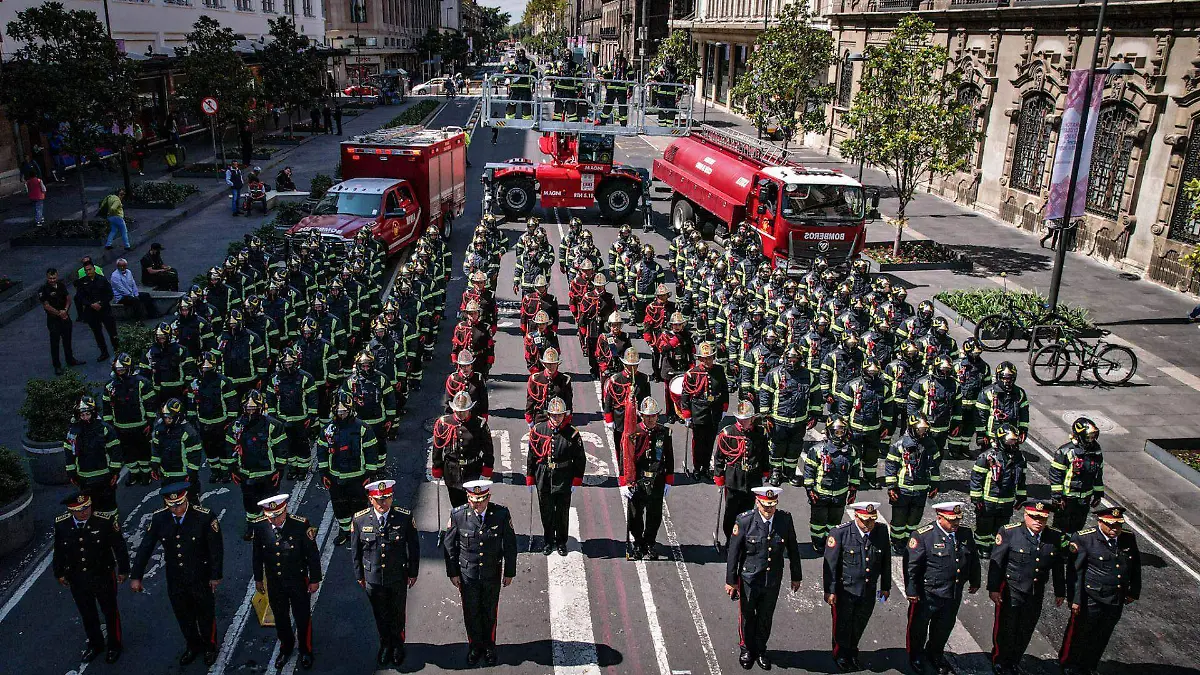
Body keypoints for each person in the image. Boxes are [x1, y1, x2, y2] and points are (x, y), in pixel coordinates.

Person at [130, 482, 224, 667]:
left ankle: (210, 646)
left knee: (205, 613)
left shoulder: (204, 517)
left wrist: (215, 575)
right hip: (176, 577)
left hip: (200, 575)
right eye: (172, 506)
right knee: (183, 614)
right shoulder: (159, 519)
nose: (177, 509)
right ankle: (193, 645)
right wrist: (136, 576)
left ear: (186, 498)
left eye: (180, 504)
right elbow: (146, 547)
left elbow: (216, 549)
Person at [724, 486, 803, 670]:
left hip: (772, 579)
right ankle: (746, 649)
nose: (769, 509)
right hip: (749, 579)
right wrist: (731, 581)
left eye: (772, 505)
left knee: (766, 616)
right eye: (765, 505)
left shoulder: (784, 520)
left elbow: (793, 548)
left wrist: (796, 576)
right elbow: (733, 553)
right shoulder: (745, 521)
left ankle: (760, 649)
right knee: (747, 615)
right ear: (757, 502)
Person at [988, 499, 1068, 675]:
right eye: (1034, 517)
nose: (1038, 522)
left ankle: (1014, 661)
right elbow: (997, 563)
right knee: (1006, 628)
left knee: (1026, 629)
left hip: (1035, 592)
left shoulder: (1054, 536)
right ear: (1025, 516)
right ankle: (1000, 660)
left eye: (1042, 518)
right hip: (1012, 590)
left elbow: (1057, 567)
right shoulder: (1010, 532)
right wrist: (993, 589)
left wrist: (1060, 591)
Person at [1058, 505, 1141, 675]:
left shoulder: (1128, 538)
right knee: (1080, 633)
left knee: (1102, 634)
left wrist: (1134, 591)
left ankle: (1089, 665)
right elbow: (1075, 572)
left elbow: (1135, 565)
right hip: (1091, 597)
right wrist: (1075, 599)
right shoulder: (1084, 539)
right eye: (1110, 525)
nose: (1114, 529)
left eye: (1118, 525)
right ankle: (1070, 664)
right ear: (1100, 522)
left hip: (1115, 597)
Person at [443, 479, 517, 667]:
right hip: (468, 574)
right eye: (474, 500)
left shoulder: (501, 514)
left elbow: (510, 545)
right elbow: (450, 546)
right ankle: (475, 646)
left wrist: (509, 572)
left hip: (491, 573)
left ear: (488, 497)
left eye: (481, 500)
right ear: (468, 498)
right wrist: (453, 573)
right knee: (471, 612)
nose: (477, 504)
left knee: (490, 611)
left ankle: (490, 646)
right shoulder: (458, 515)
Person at [904, 501, 980, 675]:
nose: (956, 523)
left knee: (943, 628)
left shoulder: (965, 533)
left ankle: (935, 654)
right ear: (940, 517)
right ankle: (916, 656)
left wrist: (975, 580)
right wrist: (912, 591)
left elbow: (973, 558)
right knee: (919, 628)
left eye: (958, 519)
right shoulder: (923, 536)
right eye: (951, 520)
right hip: (928, 593)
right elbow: (912, 566)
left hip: (953, 592)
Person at [351, 479, 420, 667]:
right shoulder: (360, 519)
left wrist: (413, 572)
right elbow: (356, 551)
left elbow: (413, 548)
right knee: (380, 614)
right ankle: (385, 644)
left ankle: (397, 645)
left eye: (386, 498)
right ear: (370, 499)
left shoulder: (404, 517)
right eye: (378, 499)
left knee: (397, 613)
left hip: (397, 576)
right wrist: (359, 575)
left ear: (392, 497)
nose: (383, 503)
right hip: (373, 578)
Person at [53, 493, 128, 665]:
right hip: (77, 578)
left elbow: (119, 546)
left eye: (87, 507)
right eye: (79, 509)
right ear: (71, 510)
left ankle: (114, 645)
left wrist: (123, 570)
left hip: (102, 575)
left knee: (110, 611)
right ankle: (95, 644)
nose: (84, 512)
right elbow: (59, 550)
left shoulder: (105, 521)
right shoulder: (62, 524)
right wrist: (59, 572)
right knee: (87, 613)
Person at [252, 494, 321, 670]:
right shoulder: (260, 527)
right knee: (280, 617)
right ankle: (286, 647)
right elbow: (257, 555)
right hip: (275, 583)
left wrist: (314, 579)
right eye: (271, 517)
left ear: (285, 510)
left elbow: (312, 555)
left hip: (297, 580)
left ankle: (306, 649)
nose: (275, 520)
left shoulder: (300, 525)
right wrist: (258, 578)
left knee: (302, 616)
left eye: (278, 515)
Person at [824, 501, 892, 672]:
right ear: (856, 516)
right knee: (843, 625)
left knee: (859, 623)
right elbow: (831, 565)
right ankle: (840, 654)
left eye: (872, 520)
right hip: (845, 590)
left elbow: (886, 561)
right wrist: (830, 590)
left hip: (868, 590)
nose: (869, 524)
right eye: (865, 520)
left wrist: (885, 586)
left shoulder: (881, 531)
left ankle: (852, 651)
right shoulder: (840, 533)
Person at [318, 391, 382, 545]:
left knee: (359, 506)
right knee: (340, 506)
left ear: (351, 409)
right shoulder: (328, 430)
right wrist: (324, 473)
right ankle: (345, 531)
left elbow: (371, 452)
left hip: (357, 477)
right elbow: (322, 452)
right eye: (338, 412)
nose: (341, 415)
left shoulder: (363, 428)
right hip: (336, 478)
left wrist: (370, 474)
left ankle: (360, 532)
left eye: (344, 411)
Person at [526, 397, 586, 556]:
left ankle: (561, 542)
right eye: (554, 415)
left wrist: (576, 480)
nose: (557, 418)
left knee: (561, 512)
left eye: (560, 415)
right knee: (546, 511)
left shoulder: (572, 433)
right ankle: (548, 540)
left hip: (563, 475)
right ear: (549, 415)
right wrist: (530, 478)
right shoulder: (539, 430)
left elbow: (580, 458)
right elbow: (532, 455)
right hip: (544, 475)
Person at [619, 397, 675, 560]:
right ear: (641, 416)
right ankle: (638, 542)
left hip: (657, 480)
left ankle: (649, 542)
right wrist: (624, 482)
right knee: (635, 515)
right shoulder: (633, 432)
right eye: (647, 416)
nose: (650, 419)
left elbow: (669, 457)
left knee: (654, 515)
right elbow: (625, 458)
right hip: (638, 479)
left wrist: (669, 480)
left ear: (657, 416)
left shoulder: (664, 432)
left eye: (653, 416)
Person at [64, 396, 122, 519]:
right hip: (84, 477)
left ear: (93, 413)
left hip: (104, 475)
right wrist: (71, 473)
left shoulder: (104, 428)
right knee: (90, 504)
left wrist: (114, 472)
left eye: (87, 414)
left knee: (109, 504)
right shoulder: (73, 433)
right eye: (82, 415)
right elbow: (69, 453)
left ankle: (113, 523)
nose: (85, 417)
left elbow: (115, 451)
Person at [680, 341, 731, 481]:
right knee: (698, 443)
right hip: (699, 411)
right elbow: (685, 394)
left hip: (714, 411)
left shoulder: (719, 370)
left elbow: (724, 390)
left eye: (709, 358)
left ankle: (706, 467)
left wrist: (724, 408)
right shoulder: (692, 374)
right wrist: (687, 414)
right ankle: (697, 468)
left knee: (710, 441)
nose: (707, 361)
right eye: (704, 358)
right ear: (699, 359)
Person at [1049, 417, 1105, 534]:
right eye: (1088, 436)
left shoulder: (1096, 451)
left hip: (1085, 499)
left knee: (1078, 528)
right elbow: (1055, 475)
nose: (1091, 439)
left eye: (1093, 436)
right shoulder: (1065, 451)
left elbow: (1098, 474)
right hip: (1067, 499)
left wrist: (1098, 494)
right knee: (1060, 528)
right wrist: (1057, 497)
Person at [41, 268, 84, 374]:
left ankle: (70, 360)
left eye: (54, 278)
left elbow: (68, 298)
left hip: (65, 317)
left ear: (57, 276)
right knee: (55, 343)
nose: (52, 280)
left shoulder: (61, 285)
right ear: (47, 277)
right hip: (53, 320)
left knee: (67, 340)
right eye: (50, 278)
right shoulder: (43, 289)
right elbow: (46, 306)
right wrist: (59, 313)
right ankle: (57, 366)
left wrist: (65, 310)